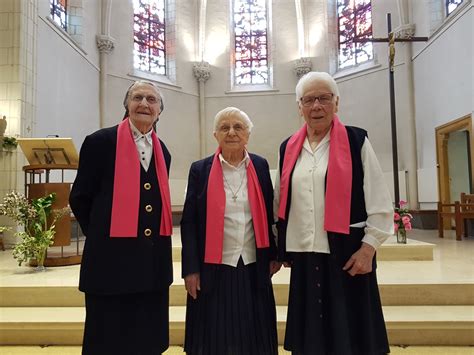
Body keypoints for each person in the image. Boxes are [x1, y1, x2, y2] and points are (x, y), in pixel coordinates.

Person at [274, 72, 393, 355]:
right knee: (311, 336)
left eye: (324, 98)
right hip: (304, 253)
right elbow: (280, 199)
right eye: (309, 100)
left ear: (336, 103)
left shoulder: (356, 140)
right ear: (299, 107)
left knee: (350, 333)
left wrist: (369, 249)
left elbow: (378, 198)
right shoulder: (288, 147)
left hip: (348, 253)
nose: (317, 106)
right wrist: (280, 246)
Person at [69, 80, 173, 355]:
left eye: (152, 100)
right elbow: (80, 197)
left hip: (151, 264)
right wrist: (103, 236)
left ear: (159, 111)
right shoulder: (100, 142)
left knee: (146, 336)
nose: (144, 104)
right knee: (109, 339)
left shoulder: (164, 151)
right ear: (126, 106)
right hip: (110, 263)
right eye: (137, 97)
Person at [181, 107, 280, 355]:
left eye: (238, 127)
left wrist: (274, 254)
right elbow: (190, 222)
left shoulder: (260, 165)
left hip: (252, 265)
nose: (232, 132)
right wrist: (191, 269)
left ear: (248, 134)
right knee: (213, 335)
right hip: (211, 266)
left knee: (254, 334)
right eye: (225, 127)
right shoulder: (199, 170)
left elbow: (269, 213)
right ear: (215, 135)